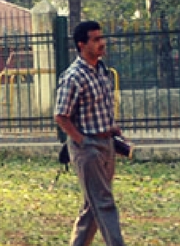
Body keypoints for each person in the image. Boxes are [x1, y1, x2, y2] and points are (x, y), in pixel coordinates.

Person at [54, 21, 127, 246]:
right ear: (81, 44)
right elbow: (61, 115)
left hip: (107, 145)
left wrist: (113, 130)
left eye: (101, 38)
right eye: (95, 40)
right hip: (88, 149)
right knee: (104, 203)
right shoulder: (73, 76)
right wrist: (82, 141)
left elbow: (99, 108)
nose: (102, 43)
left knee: (92, 206)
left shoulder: (102, 70)